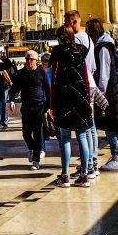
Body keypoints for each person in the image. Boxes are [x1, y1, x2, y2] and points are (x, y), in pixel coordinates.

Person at [49, 25, 93, 187]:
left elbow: (54, 79)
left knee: (66, 137)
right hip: (81, 97)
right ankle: (84, 175)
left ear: (60, 37)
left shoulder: (58, 52)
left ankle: (65, 176)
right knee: (82, 136)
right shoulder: (82, 50)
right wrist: (89, 100)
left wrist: (52, 104)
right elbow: (86, 78)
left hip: (64, 98)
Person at [64, 10, 99, 179]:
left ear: (73, 22)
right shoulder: (88, 38)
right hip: (90, 82)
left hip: (81, 85)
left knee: (84, 130)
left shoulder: (77, 39)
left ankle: (90, 166)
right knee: (90, 127)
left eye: (66, 22)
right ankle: (93, 163)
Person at [85, 19, 118, 172]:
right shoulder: (106, 45)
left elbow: (104, 74)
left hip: (108, 91)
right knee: (110, 124)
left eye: (89, 31)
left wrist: (99, 93)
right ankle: (115, 156)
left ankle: (116, 156)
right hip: (110, 90)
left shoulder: (103, 48)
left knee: (109, 124)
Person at [10, 50, 49, 169]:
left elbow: (48, 89)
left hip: (39, 107)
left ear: (35, 60)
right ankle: (32, 148)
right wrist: (12, 100)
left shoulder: (41, 72)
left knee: (37, 134)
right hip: (26, 107)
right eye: (27, 59)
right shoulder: (21, 73)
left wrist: (48, 107)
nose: (28, 61)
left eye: (30, 59)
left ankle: (36, 161)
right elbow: (14, 88)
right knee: (26, 133)